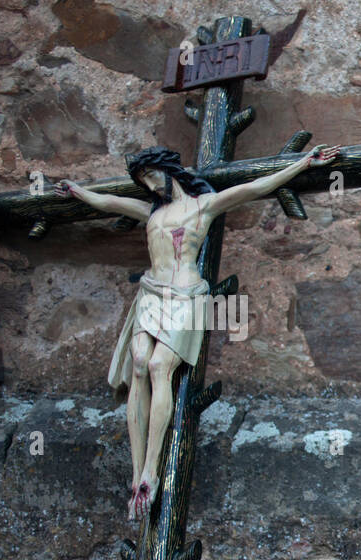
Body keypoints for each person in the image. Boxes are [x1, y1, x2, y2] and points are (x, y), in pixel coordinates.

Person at [57, 143, 341, 521]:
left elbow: (256, 187)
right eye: (142, 180)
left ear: (168, 170)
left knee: (160, 366)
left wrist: (304, 162)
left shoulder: (203, 206)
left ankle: (151, 471)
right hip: (151, 292)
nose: (149, 184)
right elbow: (108, 203)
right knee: (139, 363)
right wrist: (77, 191)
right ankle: (136, 471)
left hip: (185, 294)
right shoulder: (150, 212)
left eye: (151, 175)